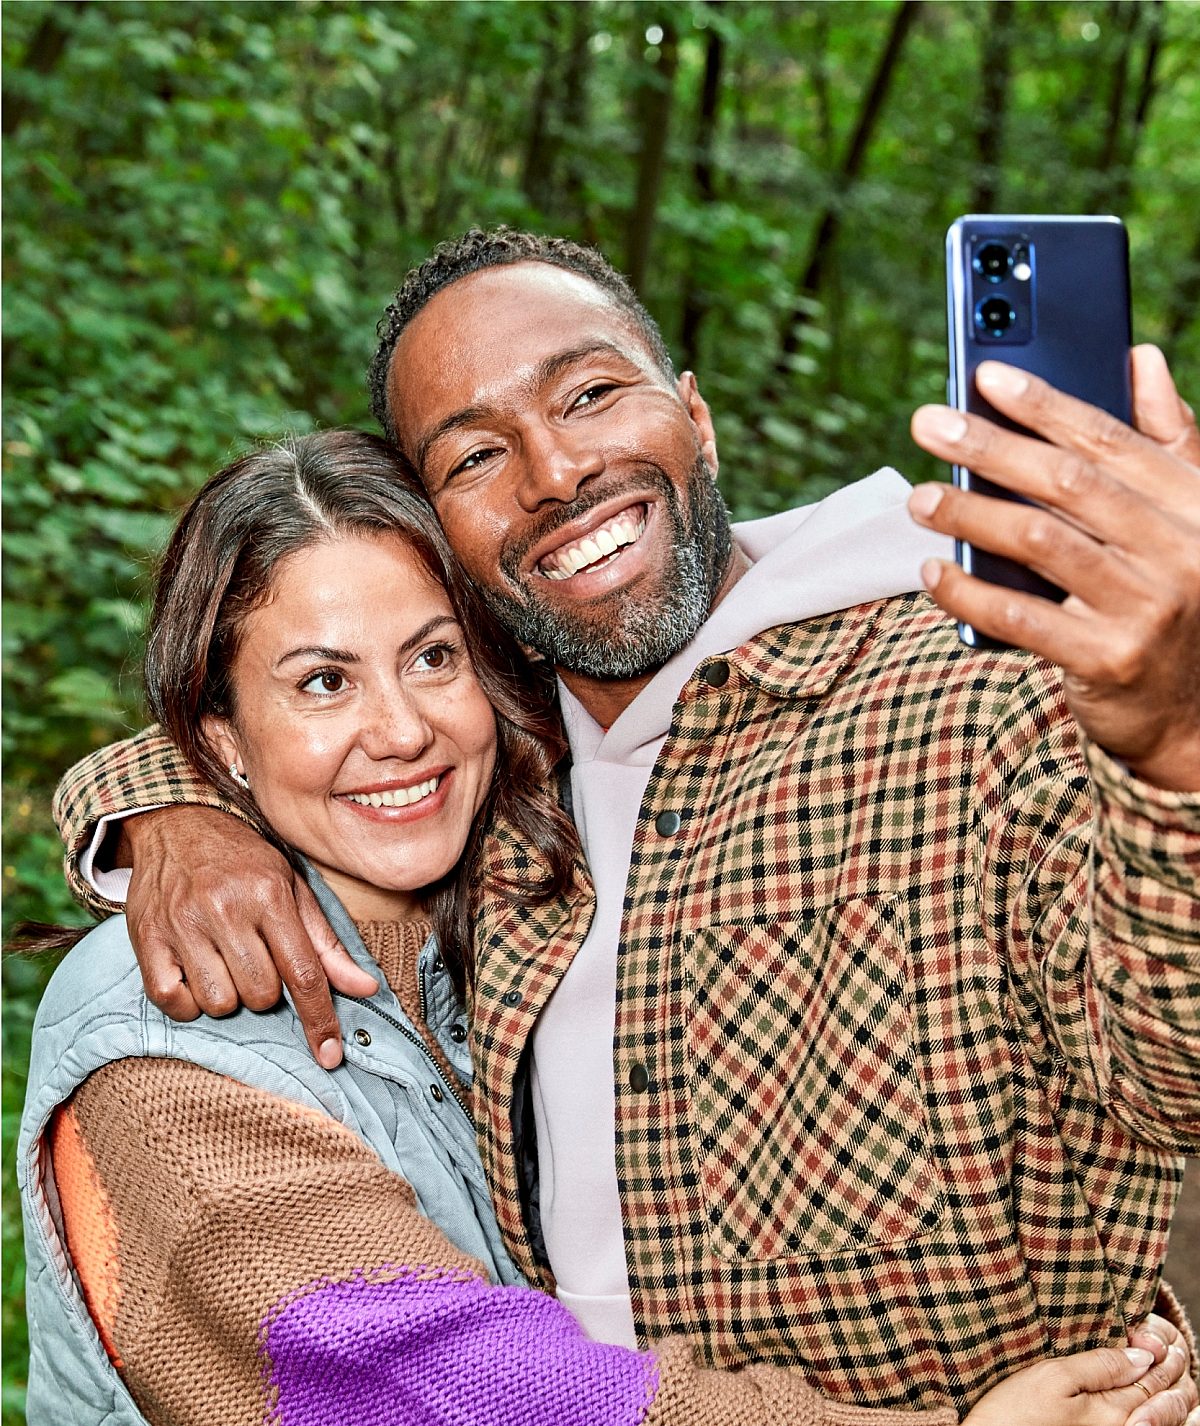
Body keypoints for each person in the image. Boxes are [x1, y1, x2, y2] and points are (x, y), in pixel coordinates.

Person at [52, 230, 1200, 1419]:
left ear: (693, 417)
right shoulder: (507, 766)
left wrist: (1176, 748)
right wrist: (168, 809)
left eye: (592, 393)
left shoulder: (997, 688)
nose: (554, 473)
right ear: (443, 535)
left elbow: (1175, 1065)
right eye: (477, 456)